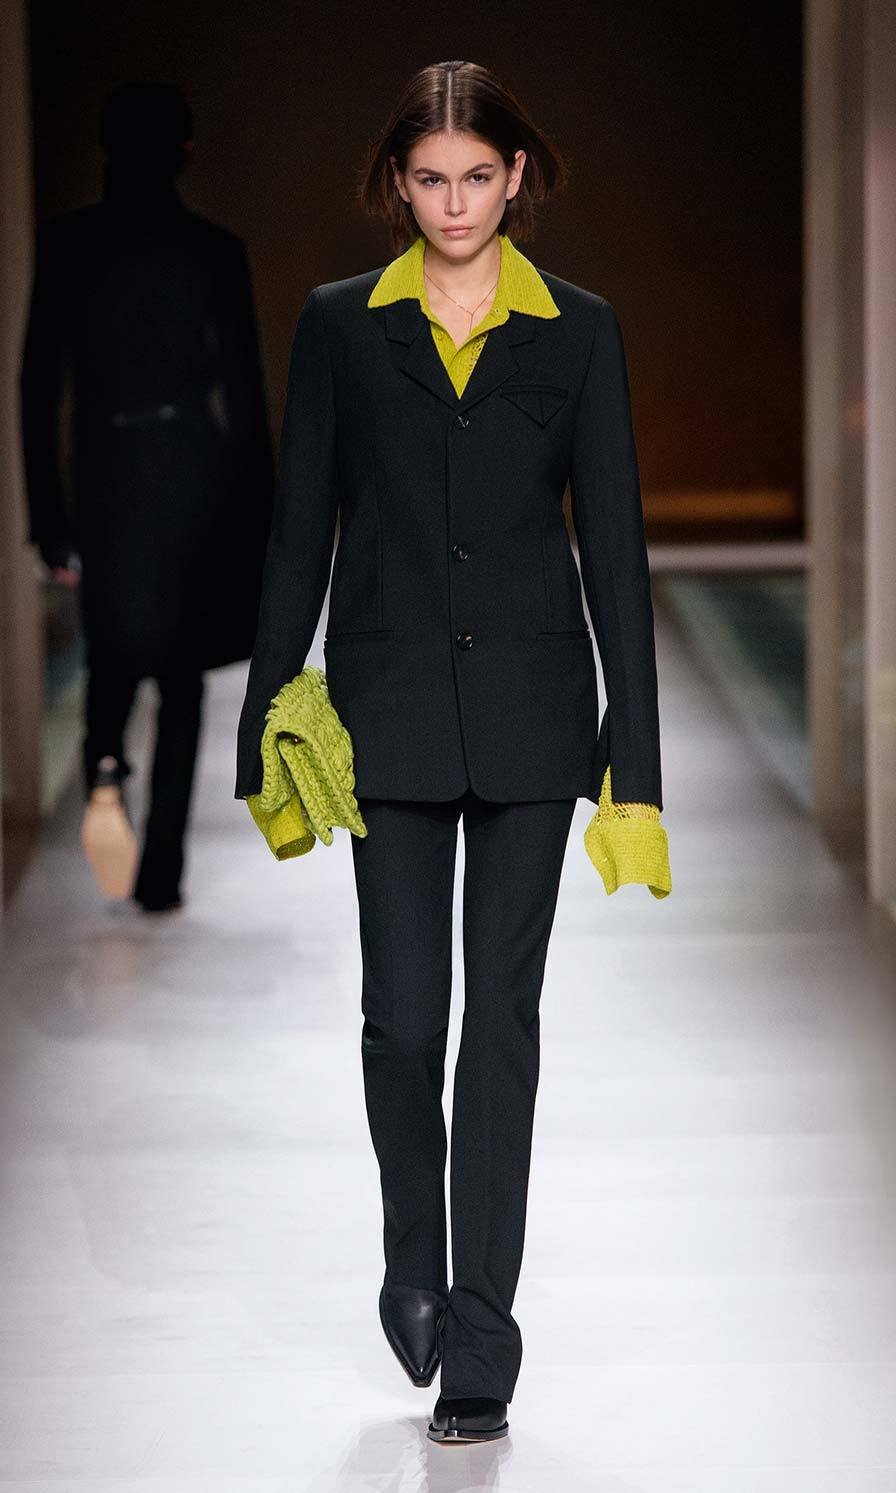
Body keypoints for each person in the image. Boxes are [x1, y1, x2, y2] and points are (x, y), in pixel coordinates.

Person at [235, 60, 670, 1443]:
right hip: (390, 713)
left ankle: (481, 1335)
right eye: (430, 179)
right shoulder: (341, 328)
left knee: (502, 1026)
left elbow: (617, 553)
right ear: (397, 184)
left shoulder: (577, 331)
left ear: (516, 176)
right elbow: (300, 530)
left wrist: (636, 767)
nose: (456, 203)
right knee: (404, 1019)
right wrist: (265, 718)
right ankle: (410, 1260)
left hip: (537, 720)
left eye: (478, 176)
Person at [20, 82, 274, 913]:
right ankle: (159, 864)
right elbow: (242, 394)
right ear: (184, 152)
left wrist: (48, 514)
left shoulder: (72, 244)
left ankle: (107, 774)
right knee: (178, 674)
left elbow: (37, 387)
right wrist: (263, 515)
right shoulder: (212, 250)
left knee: (118, 651)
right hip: (189, 468)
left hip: (109, 465)